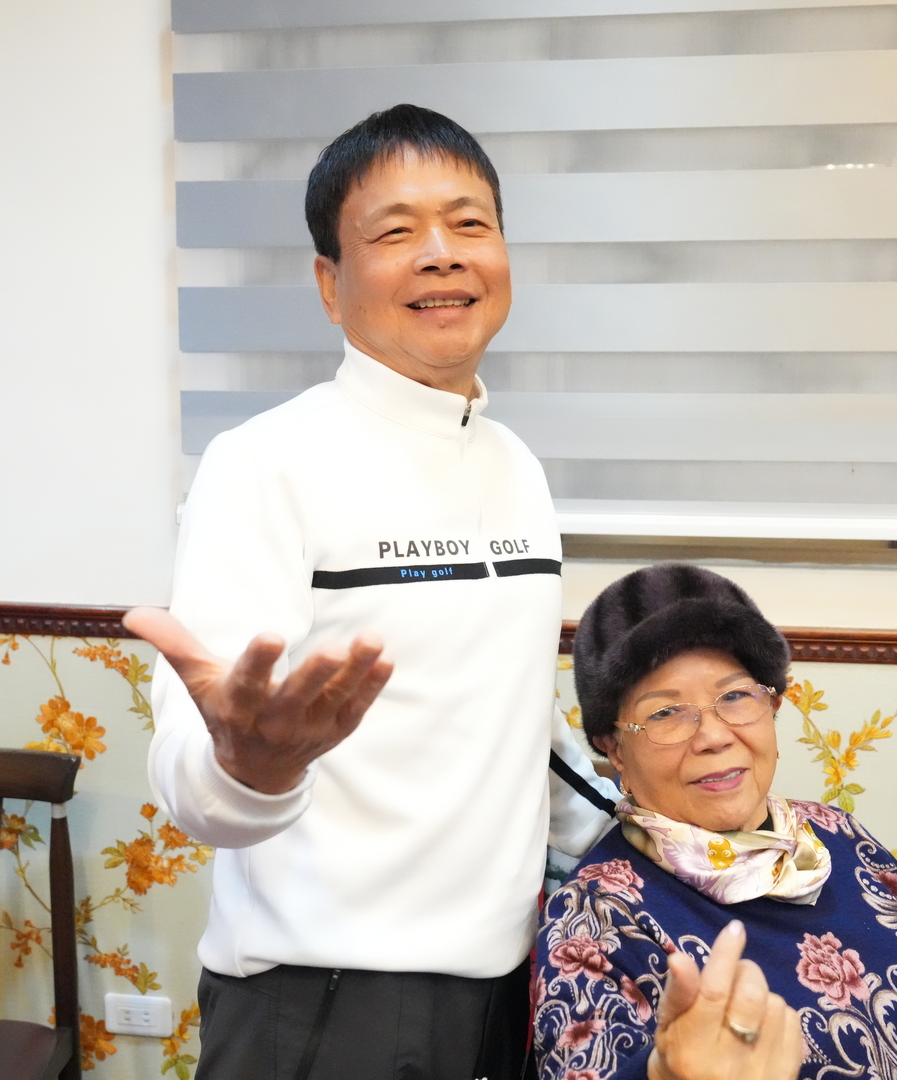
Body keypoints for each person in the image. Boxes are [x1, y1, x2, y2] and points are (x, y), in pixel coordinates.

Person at [124, 104, 621, 1080]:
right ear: (330, 283)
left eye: (469, 223)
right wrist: (251, 769)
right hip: (323, 1004)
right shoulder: (264, 463)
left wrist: (646, 837)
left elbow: (505, 721)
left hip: (506, 986)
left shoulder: (515, 467)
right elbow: (196, 769)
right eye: (396, 232)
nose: (442, 253)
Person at [535, 564, 897, 1080]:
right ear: (614, 747)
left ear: (772, 703)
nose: (714, 736)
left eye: (735, 696)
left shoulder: (842, 837)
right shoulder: (593, 920)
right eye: (665, 713)